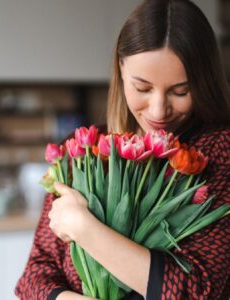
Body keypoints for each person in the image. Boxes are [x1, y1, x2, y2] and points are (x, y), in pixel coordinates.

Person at [15, 0, 230, 299]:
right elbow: (32, 280)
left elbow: (196, 291)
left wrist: (82, 227)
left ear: (204, 82)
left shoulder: (218, 152)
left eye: (180, 91)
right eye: (142, 88)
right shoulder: (87, 151)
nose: (159, 110)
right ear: (120, 70)